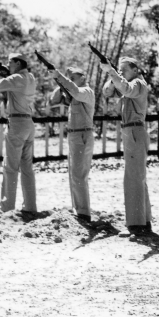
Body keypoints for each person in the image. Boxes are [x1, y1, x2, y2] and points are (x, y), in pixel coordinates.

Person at [0, 53, 37, 218]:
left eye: (10, 63)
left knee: (10, 167)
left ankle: (7, 207)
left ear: (18, 63)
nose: (8, 65)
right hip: (28, 123)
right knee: (27, 168)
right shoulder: (30, 77)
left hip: (17, 124)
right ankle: (30, 206)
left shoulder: (17, 78)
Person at [102, 56, 152, 235]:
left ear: (135, 70)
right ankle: (143, 221)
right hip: (130, 132)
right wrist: (112, 74)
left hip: (135, 131)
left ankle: (136, 225)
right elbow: (107, 92)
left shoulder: (137, 84)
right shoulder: (124, 85)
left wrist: (112, 72)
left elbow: (125, 88)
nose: (121, 72)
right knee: (137, 177)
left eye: (125, 69)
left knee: (132, 178)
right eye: (120, 69)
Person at [48, 66, 95, 222]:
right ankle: (78, 208)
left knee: (79, 174)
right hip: (75, 134)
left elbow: (75, 91)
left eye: (73, 77)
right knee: (74, 174)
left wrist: (61, 78)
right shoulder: (73, 93)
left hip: (82, 134)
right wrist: (60, 83)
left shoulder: (86, 91)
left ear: (83, 77)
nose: (71, 81)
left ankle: (83, 212)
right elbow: (53, 101)